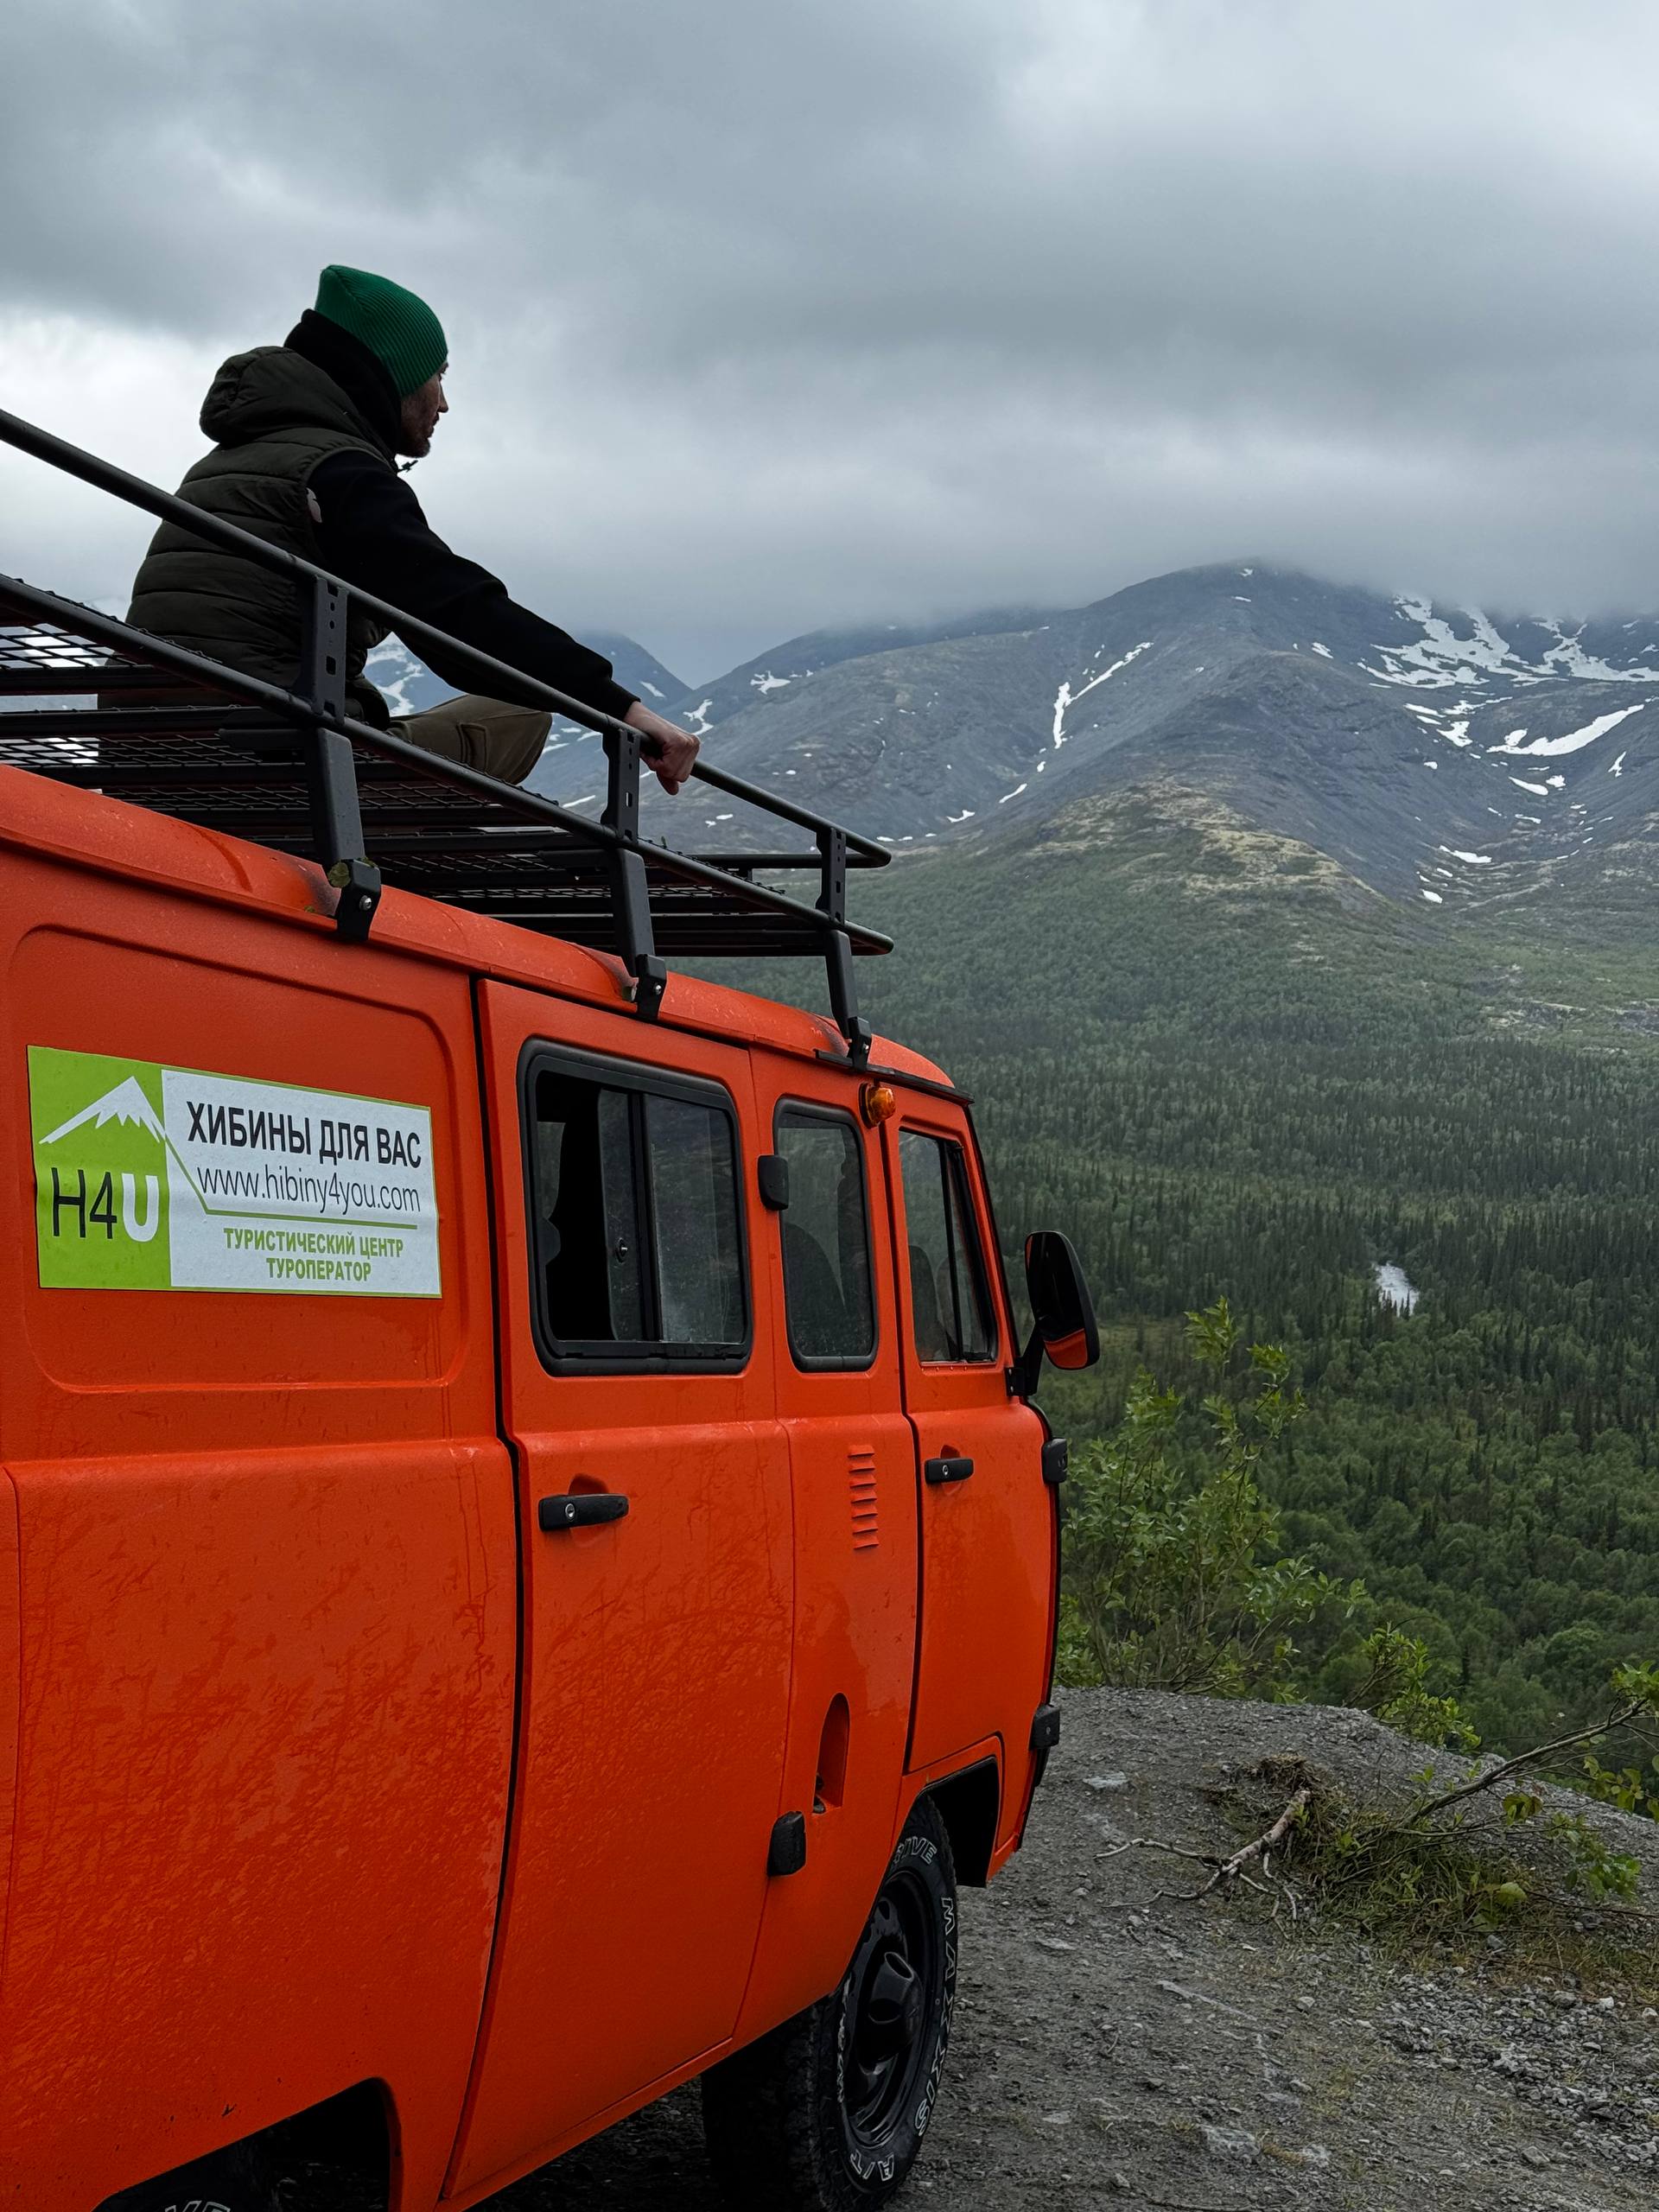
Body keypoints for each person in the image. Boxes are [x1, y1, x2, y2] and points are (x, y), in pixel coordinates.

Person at [126, 264, 700, 793]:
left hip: (146, 753)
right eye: (437, 377)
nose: (444, 403)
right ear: (391, 375)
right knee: (522, 715)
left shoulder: (233, 463)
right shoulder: (338, 472)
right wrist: (619, 709)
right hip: (278, 763)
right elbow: (454, 612)